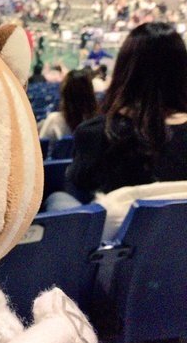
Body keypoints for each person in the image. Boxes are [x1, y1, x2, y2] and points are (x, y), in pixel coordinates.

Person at [46, 22, 187, 211]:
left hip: (113, 228)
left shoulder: (96, 133)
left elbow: (79, 187)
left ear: (125, 71)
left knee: (57, 198)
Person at [39, 70, 98, 140]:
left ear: (64, 94)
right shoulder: (100, 123)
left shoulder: (54, 121)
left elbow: (40, 145)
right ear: (91, 95)